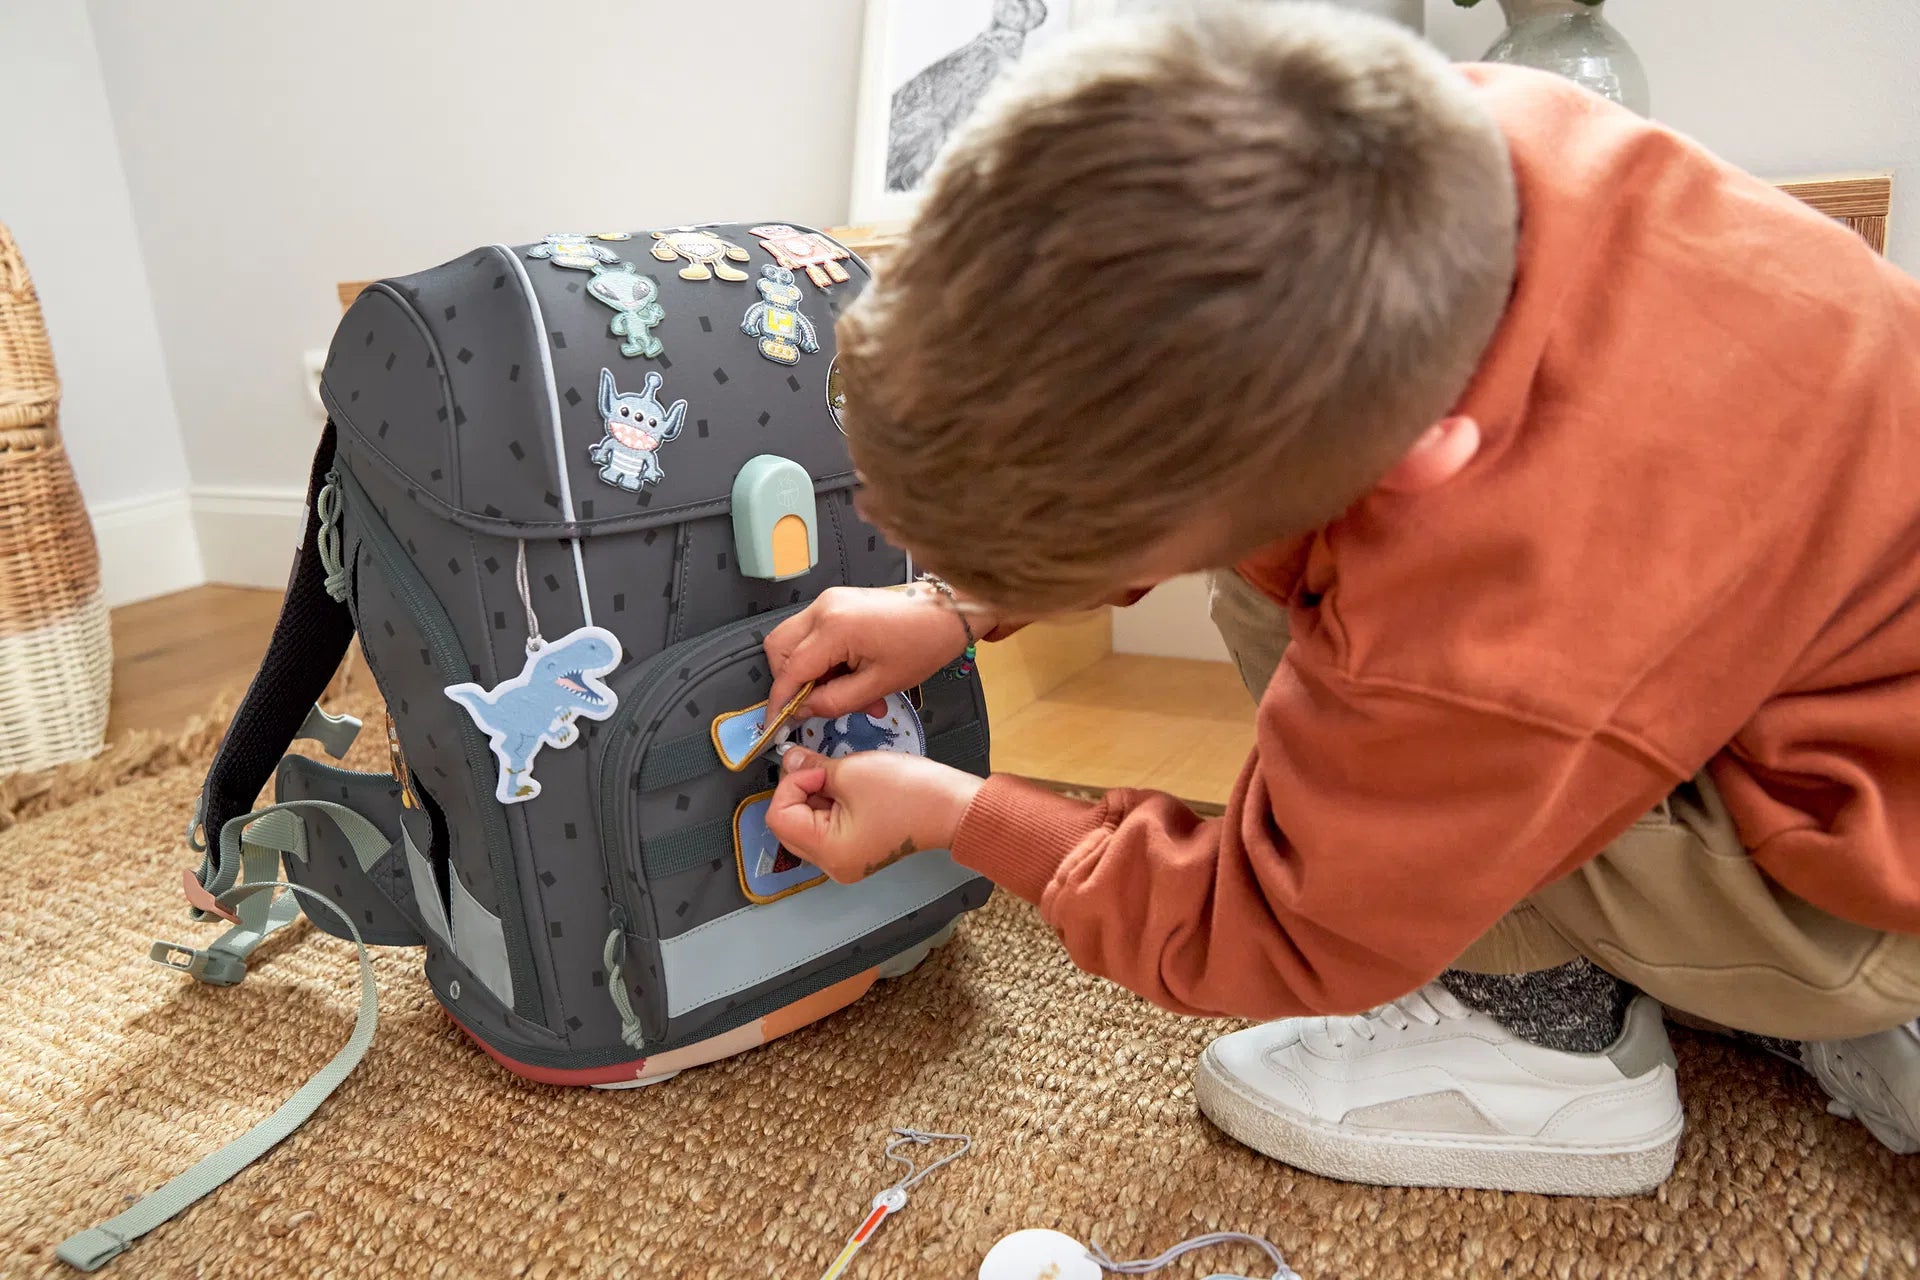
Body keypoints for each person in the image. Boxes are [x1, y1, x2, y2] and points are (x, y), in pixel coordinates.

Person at [760, 3, 1920, 1196]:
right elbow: (1193, 394)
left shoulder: (1477, 623)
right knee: (1268, 547)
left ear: (1420, 465)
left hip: (1860, 887)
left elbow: (1280, 922)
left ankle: (1552, 1044)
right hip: (1817, 684)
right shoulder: (1426, 155)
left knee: (1324, 674)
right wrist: (959, 602)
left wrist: (957, 811)